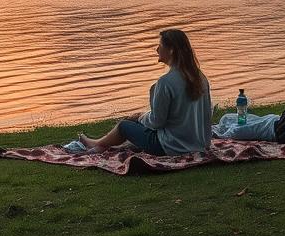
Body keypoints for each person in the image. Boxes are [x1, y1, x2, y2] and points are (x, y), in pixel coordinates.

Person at [78, 28, 212, 156]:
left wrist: (141, 117)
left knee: (124, 125)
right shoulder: (200, 78)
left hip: (170, 147)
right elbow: (207, 114)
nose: (157, 49)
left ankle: (97, 144)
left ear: (171, 50)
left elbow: (156, 122)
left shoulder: (166, 82)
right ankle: (110, 144)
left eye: (160, 46)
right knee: (136, 122)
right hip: (198, 144)